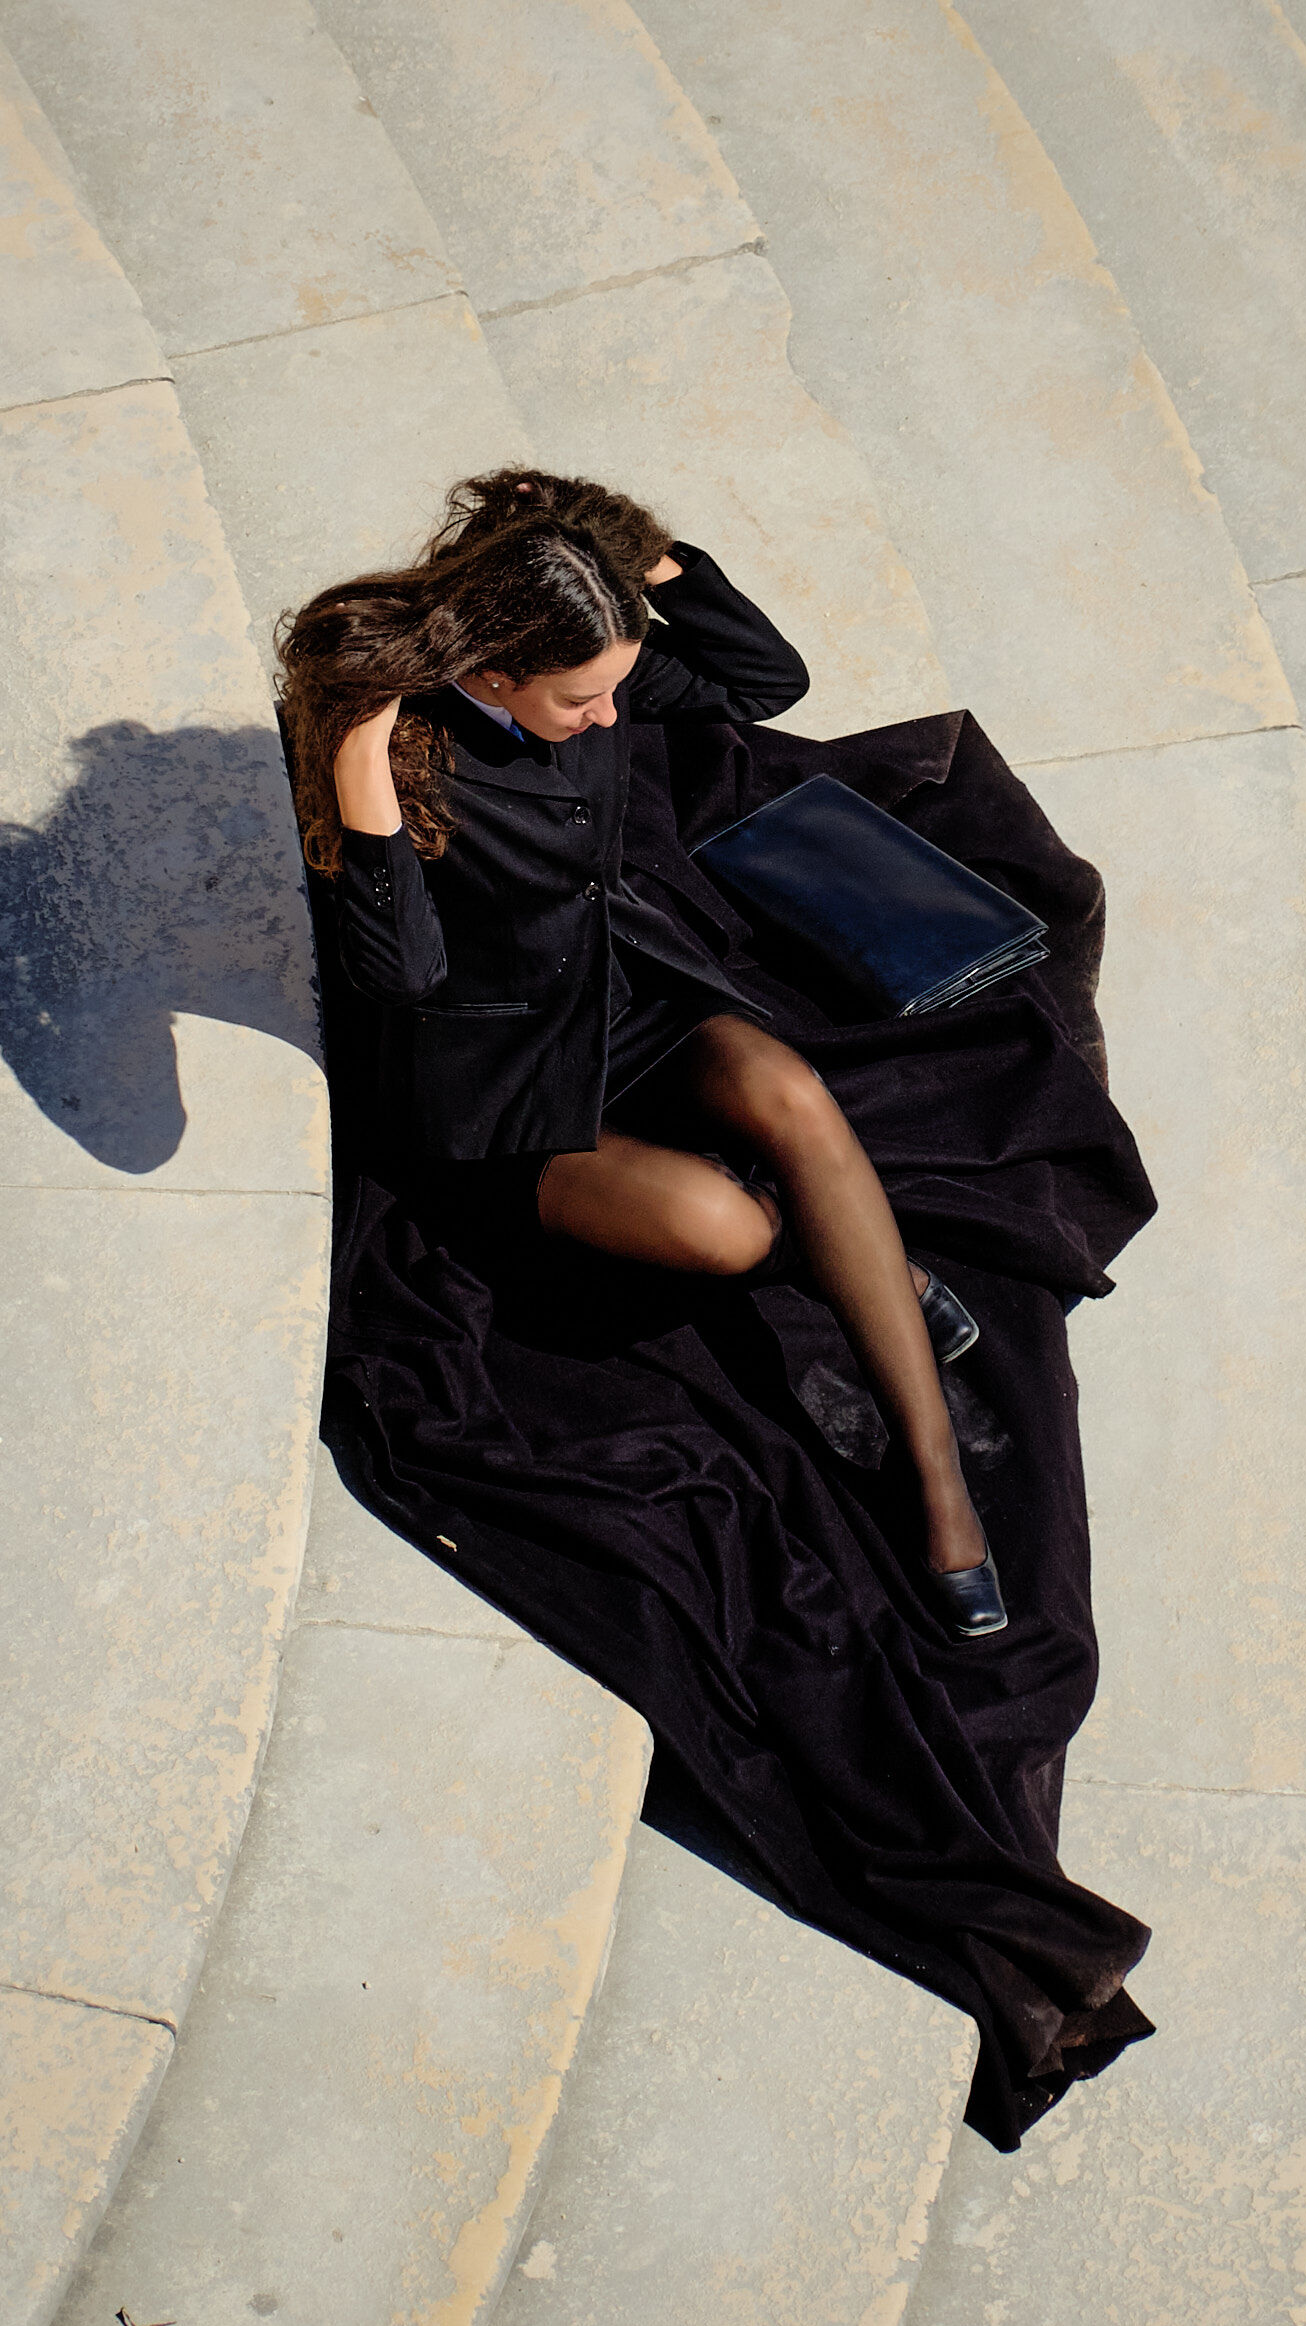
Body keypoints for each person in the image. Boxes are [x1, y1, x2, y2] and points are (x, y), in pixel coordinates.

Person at [278, 467, 1003, 1635]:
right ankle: (869, 1261)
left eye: (618, 687)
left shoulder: (578, 662)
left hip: (627, 993)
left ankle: (938, 1485)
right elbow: (400, 971)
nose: (612, 718)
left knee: (789, 1089)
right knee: (729, 1230)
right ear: (492, 673)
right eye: (583, 700)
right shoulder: (407, 756)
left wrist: (631, 556)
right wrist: (360, 763)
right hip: (502, 1084)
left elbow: (763, 683)